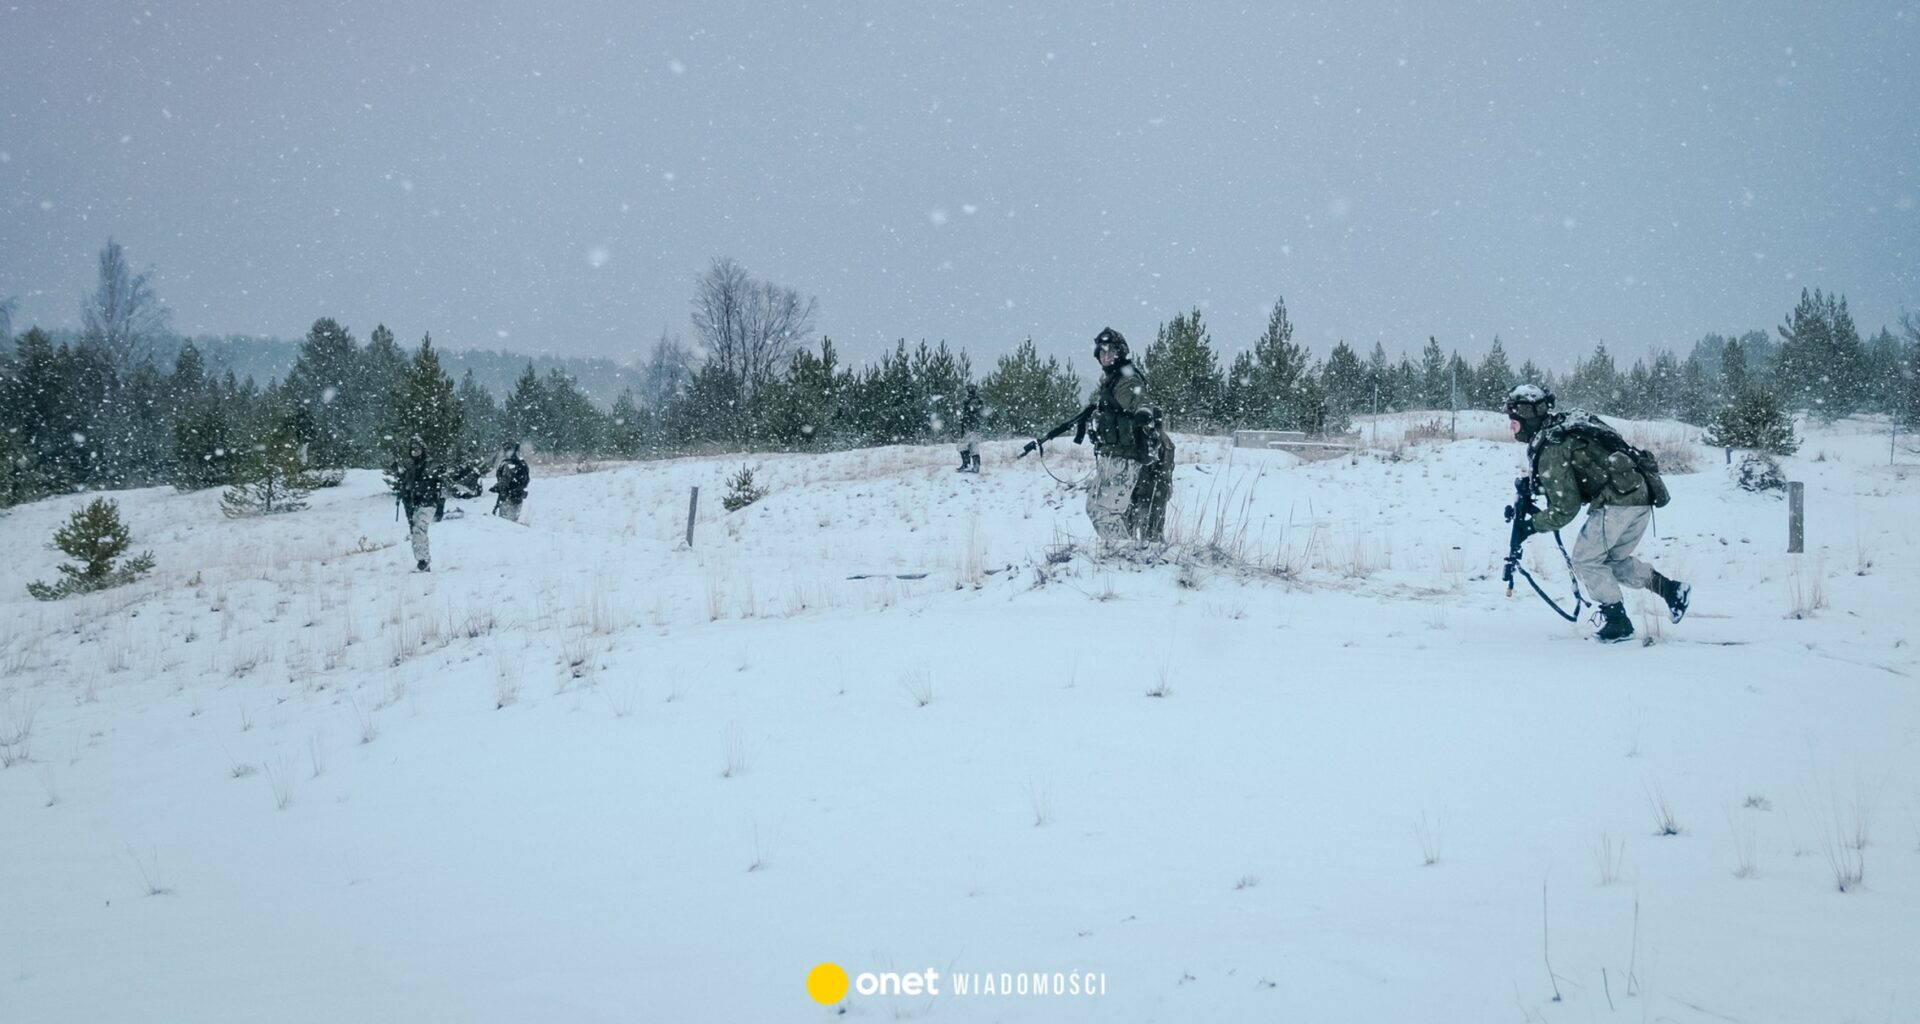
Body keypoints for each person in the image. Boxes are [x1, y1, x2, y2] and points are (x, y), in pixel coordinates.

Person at [1505, 384, 1690, 642]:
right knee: (1611, 562)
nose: (1512, 430)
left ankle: (1617, 622)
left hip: (1618, 504)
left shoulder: (1552, 446)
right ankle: (1672, 591)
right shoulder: (1565, 427)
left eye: (1513, 424)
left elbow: (1565, 510)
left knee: (1586, 560)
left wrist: (1532, 525)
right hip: (1640, 496)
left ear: (1527, 417)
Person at [1023, 328, 1169, 544]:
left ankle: (1126, 555)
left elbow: (1141, 400)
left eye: (1111, 352)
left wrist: (1143, 414)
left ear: (1121, 352)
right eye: (1102, 353)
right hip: (1115, 456)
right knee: (1102, 510)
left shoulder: (1127, 380)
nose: (1106, 356)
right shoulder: (1113, 380)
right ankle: (1128, 552)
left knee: (1104, 513)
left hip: (1127, 457)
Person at [397, 437, 443, 572]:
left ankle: (423, 561)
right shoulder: (412, 466)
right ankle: (423, 560)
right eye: (412, 449)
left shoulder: (430, 464)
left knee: (419, 530)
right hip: (416, 503)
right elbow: (408, 485)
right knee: (416, 531)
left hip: (428, 502)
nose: (414, 452)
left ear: (423, 450)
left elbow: (438, 480)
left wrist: (426, 487)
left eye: (417, 449)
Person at [492, 443, 530, 522]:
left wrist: (498, 486)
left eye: (508, 450)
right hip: (515, 496)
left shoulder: (508, 464)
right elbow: (526, 480)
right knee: (511, 521)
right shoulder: (520, 463)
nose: (506, 452)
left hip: (509, 497)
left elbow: (505, 480)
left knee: (506, 522)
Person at [957, 386, 983, 473]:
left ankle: (968, 465)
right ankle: (974, 466)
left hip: (970, 426)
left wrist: (966, 422)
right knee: (972, 446)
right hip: (973, 426)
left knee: (963, 445)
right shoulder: (977, 400)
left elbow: (971, 412)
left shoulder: (971, 401)